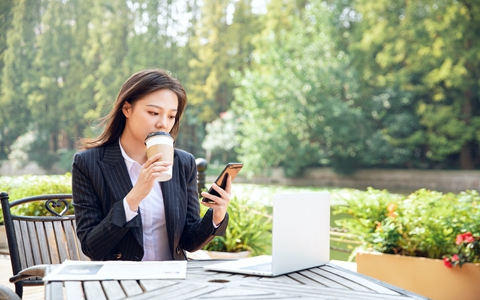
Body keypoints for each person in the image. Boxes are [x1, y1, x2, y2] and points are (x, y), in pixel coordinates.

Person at [72, 69, 230, 261]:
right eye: (154, 112)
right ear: (127, 109)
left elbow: (188, 241)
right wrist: (134, 198)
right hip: (121, 283)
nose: (163, 124)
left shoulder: (182, 163)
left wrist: (217, 215)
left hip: (174, 280)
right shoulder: (89, 164)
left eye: (171, 116)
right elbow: (91, 247)